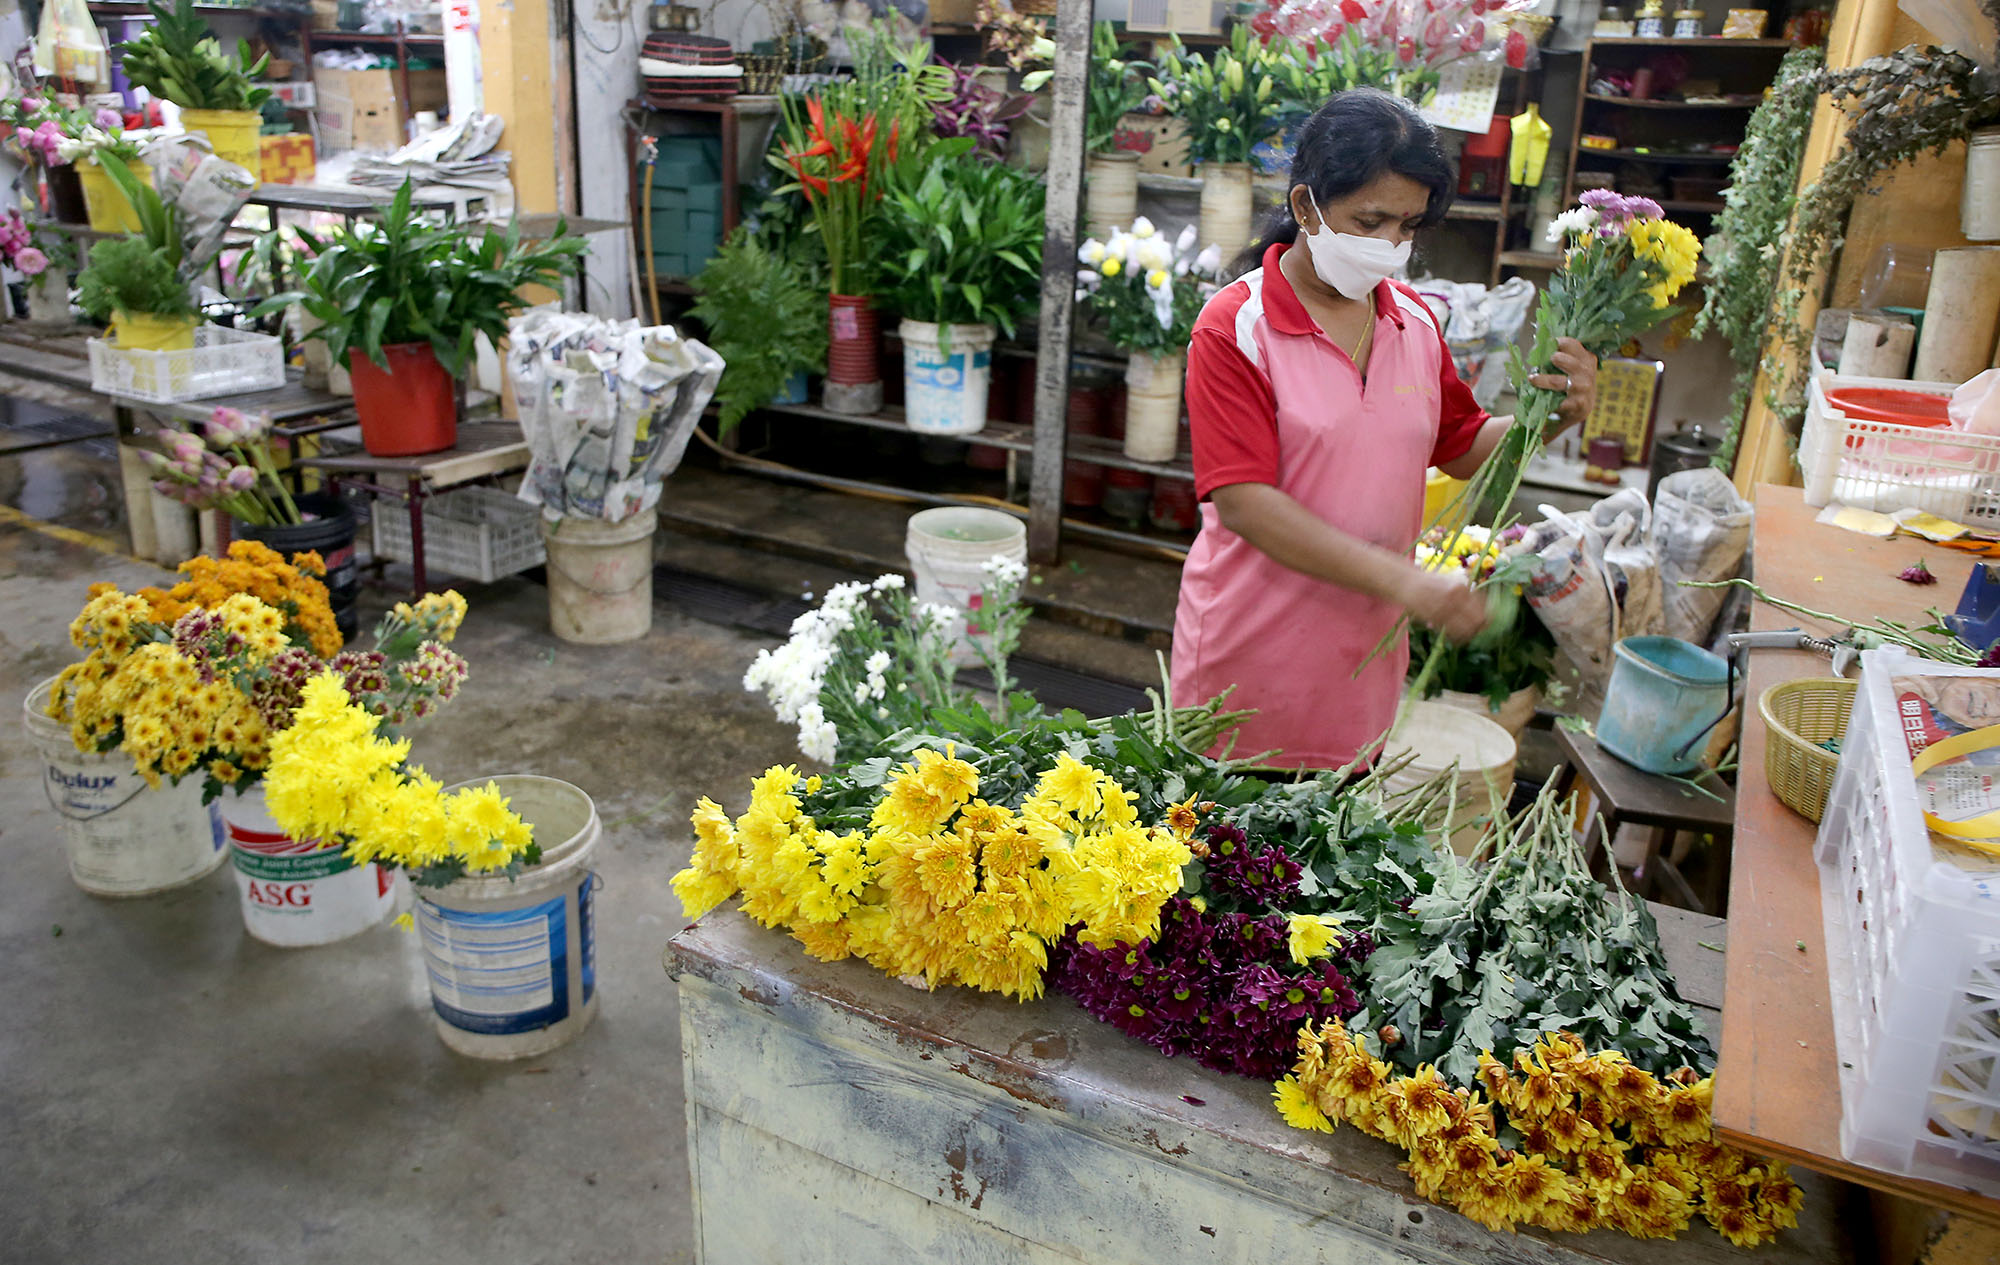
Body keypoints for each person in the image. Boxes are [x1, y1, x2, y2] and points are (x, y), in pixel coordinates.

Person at [1171, 88, 1600, 771]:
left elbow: (1462, 449)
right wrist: (1406, 584)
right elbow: (1244, 502)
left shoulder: (1415, 322)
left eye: (1407, 226)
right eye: (1369, 221)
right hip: (1249, 662)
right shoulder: (1236, 327)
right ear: (1306, 205)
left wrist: (1547, 418)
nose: (1390, 245)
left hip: (1360, 672)